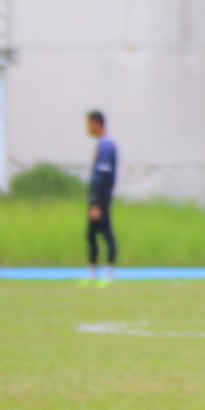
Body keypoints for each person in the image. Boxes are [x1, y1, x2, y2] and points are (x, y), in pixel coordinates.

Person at [83, 110, 119, 287]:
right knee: (91, 235)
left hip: (101, 200)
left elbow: (104, 176)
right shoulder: (104, 144)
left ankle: (108, 275)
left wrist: (97, 203)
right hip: (99, 198)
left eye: (89, 123)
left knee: (105, 235)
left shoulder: (106, 146)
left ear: (97, 124)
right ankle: (93, 274)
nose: (88, 127)